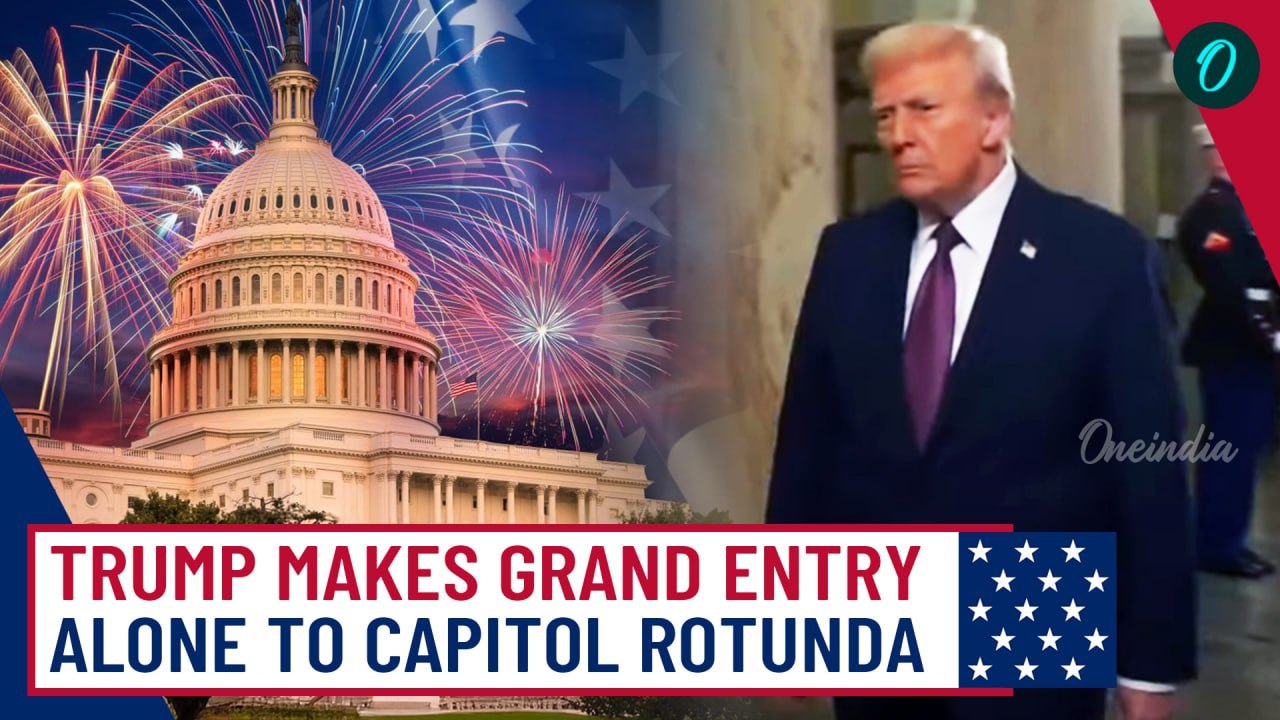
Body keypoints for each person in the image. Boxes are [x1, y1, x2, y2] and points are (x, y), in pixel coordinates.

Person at [765, 22, 1195, 720]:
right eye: (883, 114)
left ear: (995, 119)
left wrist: (1149, 662)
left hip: (1036, 615)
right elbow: (809, 441)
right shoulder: (849, 254)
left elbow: (1148, 474)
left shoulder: (1102, 256)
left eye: (923, 109)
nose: (897, 134)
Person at [1179, 123, 1278, 579]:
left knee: (1248, 447)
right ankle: (1217, 545)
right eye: (1216, 149)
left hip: (1258, 347)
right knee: (1229, 450)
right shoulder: (1210, 213)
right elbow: (1232, 282)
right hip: (1235, 346)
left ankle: (1231, 540)